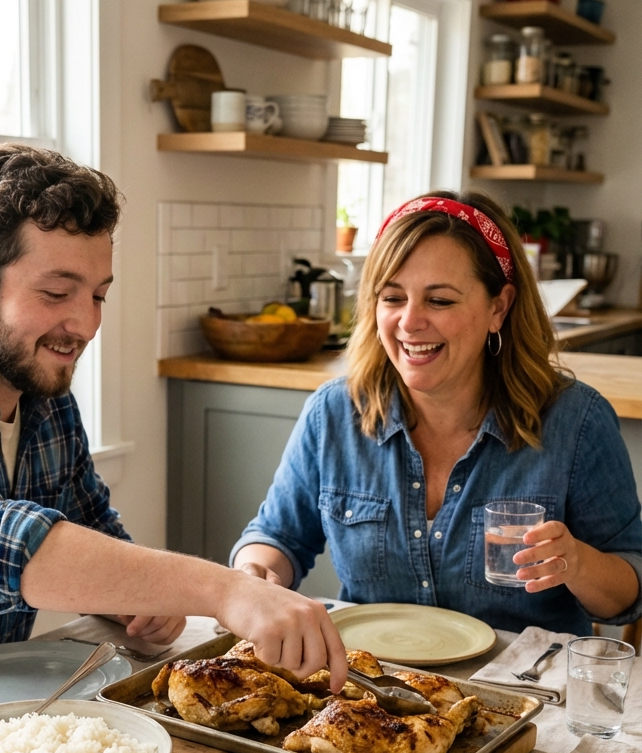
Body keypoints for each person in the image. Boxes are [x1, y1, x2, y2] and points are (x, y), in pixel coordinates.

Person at [0, 144, 345, 732]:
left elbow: (91, 533)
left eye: (98, 294)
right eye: (56, 293)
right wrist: (224, 590)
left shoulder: (44, 397)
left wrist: (141, 602)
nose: (84, 324)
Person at [231, 191, 641, 636]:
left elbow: (628, 592)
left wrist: (577, 563)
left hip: (527, 693)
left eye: (440, 301)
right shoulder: (334, 412)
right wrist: (254, 575)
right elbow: (277, 538)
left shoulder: (576, 421)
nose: (409, 322)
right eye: (392, 297)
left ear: (498, 308)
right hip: (372, 692)